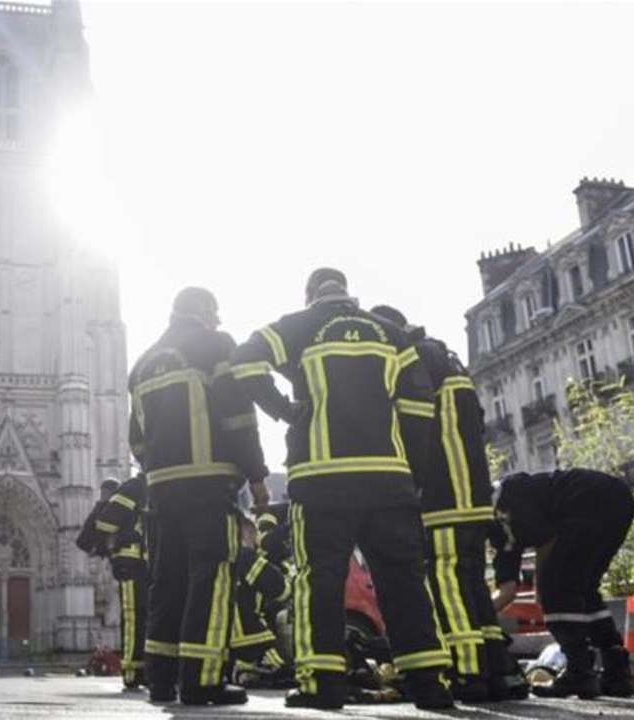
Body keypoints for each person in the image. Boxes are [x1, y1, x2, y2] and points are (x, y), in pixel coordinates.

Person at [230, 268, 452, 710]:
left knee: (321, 579)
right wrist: (411, 471)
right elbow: (417, 405)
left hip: (322, 477)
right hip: (388, 477)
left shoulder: (297, 326)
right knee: (403, 578)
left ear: (310, 293)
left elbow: (245, 360)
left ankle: (323, 683)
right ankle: (427, 682)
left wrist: (285, 411)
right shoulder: (391, 334)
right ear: (348, 292)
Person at [369, 304, 528, 703]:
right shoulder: (446, 358)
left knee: (447, 583)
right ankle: (497, 668)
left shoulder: (414, 359)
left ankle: (468, 672)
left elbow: (411, 422)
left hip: (443, 496)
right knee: (473, 583)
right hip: (473, 494)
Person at [128, 286, 269, 706]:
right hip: (208, 486)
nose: (220, 321)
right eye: (216, 312)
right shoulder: (215, 345)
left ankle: (160, 680)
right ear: (204, 311)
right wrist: (257, 476)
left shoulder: (142, 363)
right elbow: (238, 415)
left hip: (160, 491)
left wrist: (158, 469)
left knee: (166, 583)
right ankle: (202, 680)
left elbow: (136, 439)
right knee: (210, 579)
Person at [489, 469, 634, 698]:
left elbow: (547, 539)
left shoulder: (503, 505)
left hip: (588, 499)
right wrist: (479, 618)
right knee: (584, 587)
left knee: (558, 588)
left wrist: (543, 586)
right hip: (618, 498)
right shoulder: (502, 524)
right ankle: (617, 673)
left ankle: (579, 672)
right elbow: (507, 590)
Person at [91, 473, 149, 691]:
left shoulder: (149, 490)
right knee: (134, 617)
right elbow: (105, 523)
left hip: (146, 565)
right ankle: (133, 671)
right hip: (131, 564)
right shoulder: (135, 488)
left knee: (144, 618)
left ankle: (145, 669)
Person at [228, 513, 292, 688]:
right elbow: (279, 588)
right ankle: (251, 670)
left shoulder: (214, 556)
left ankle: (242, 670)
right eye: (253, 533)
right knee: (284, 671)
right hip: (247, 632)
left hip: (215, 636)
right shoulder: (245, 555)